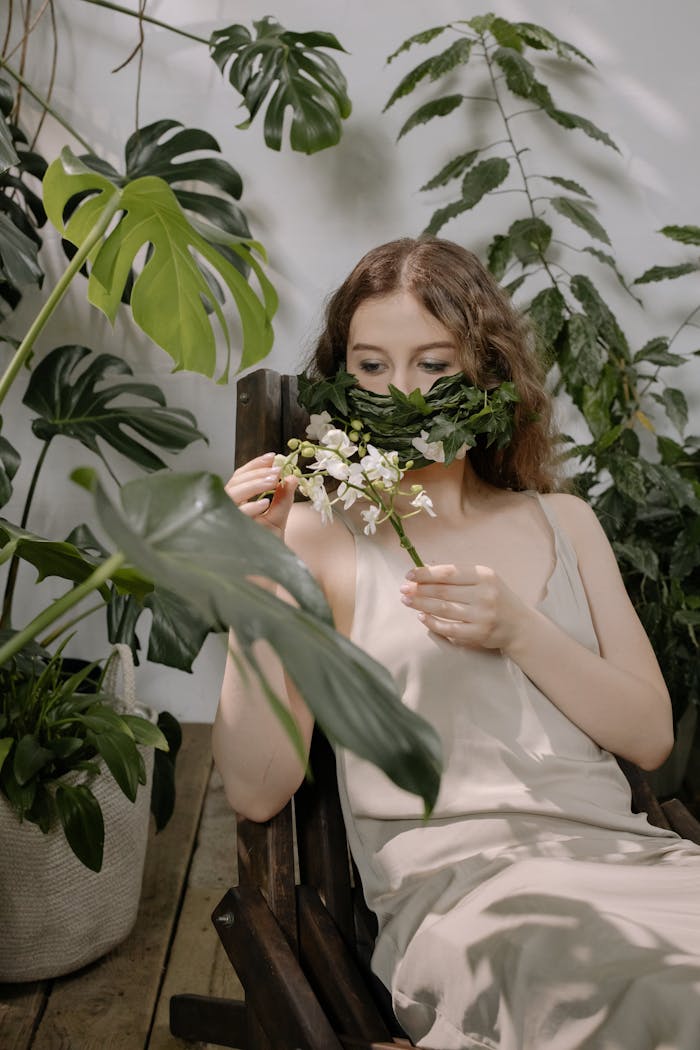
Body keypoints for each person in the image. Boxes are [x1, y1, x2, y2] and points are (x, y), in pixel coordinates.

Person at [213, 237, 700, 1050]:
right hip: (477, 901)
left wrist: (519, 629)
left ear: (487, 373)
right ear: (342, 380)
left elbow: (649, 735)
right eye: (371, 367)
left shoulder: (565, 524)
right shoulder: (321, 541)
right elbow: (260, 792)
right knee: (665, 998)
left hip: (632, 867)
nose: (401, 392)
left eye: (434, 365)